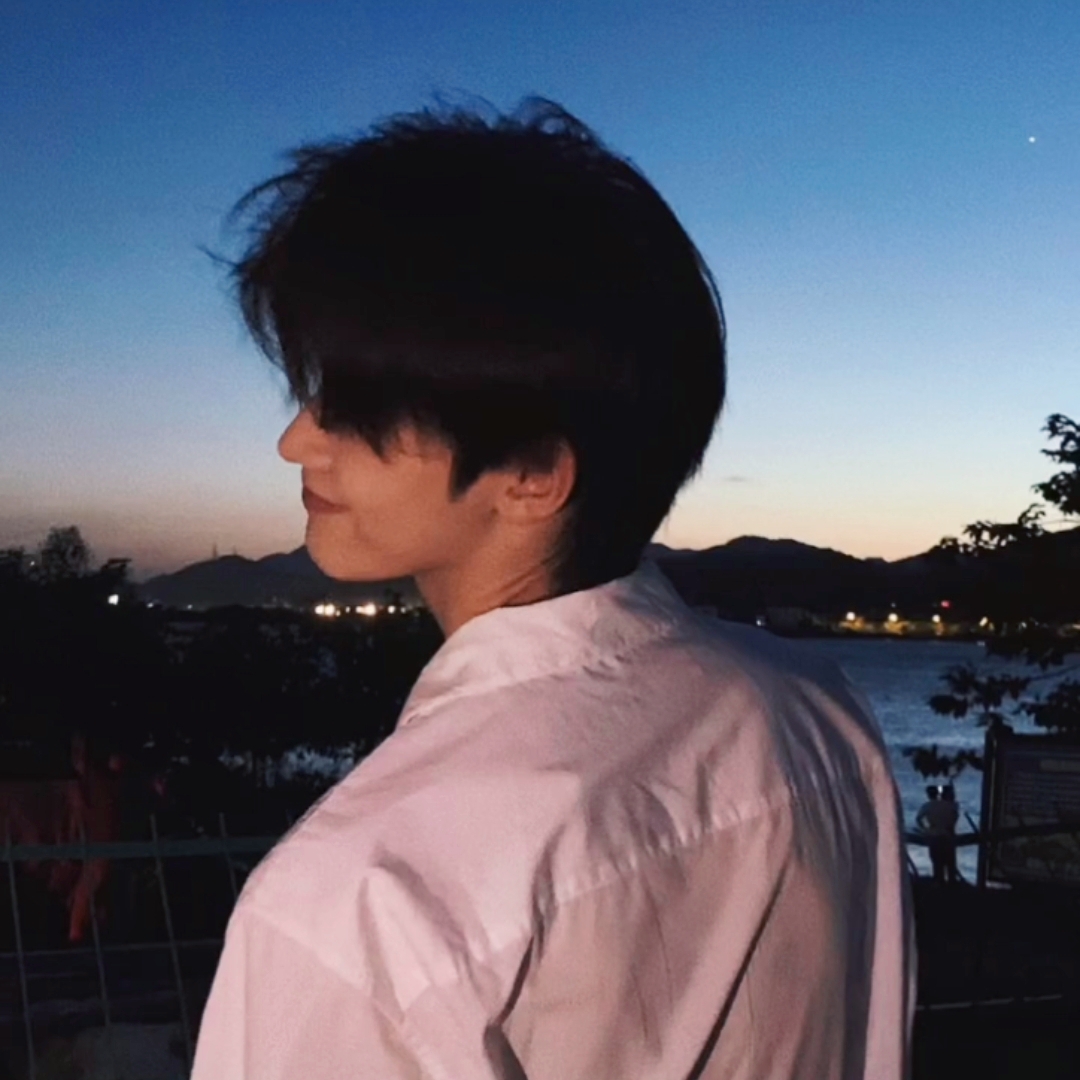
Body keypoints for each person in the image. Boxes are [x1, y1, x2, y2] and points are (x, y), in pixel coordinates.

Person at [191, 97, 914, 1079]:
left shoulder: (363, 899)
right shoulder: (816, 713)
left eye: (355, 408)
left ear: (533, 474)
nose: (295, 442)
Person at [916, 783, 961, 885]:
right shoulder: (950, 806)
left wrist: (926, 829)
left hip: (934, 835)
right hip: (947, 835)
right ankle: (952, 884)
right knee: (950, 862)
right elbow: (955, 817)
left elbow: (918, 819)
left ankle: (939, 884)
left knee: (937, 863)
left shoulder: (927, 806)